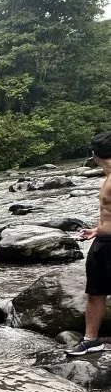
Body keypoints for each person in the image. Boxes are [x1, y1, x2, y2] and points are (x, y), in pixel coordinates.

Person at [67, 131, 111, 356]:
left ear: (94, 155)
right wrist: (97, 229)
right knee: (95, 293)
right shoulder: (107, 175)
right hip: (103, 242)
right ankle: (91, 340)